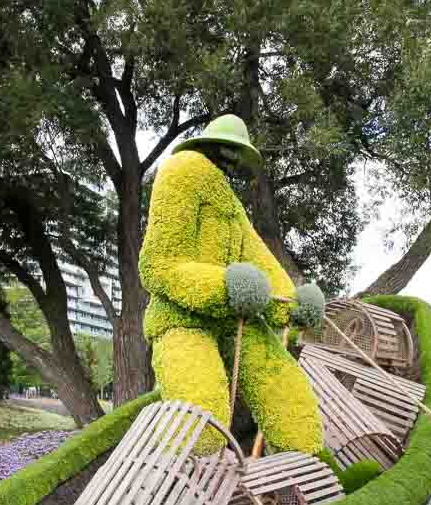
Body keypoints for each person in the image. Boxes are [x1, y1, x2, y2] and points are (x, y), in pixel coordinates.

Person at [139, 114, 326, 456]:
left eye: (238, 153)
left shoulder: (230, 203)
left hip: (235, 319)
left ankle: (301, 475)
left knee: (289, 397)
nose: (233, 159)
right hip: (181, 319)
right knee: (202, 423)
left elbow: (260, 260)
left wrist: (291, 303)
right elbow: (158, 265)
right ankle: (179, 483)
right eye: (228, 150)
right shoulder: (181, 170)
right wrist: (224, 285)